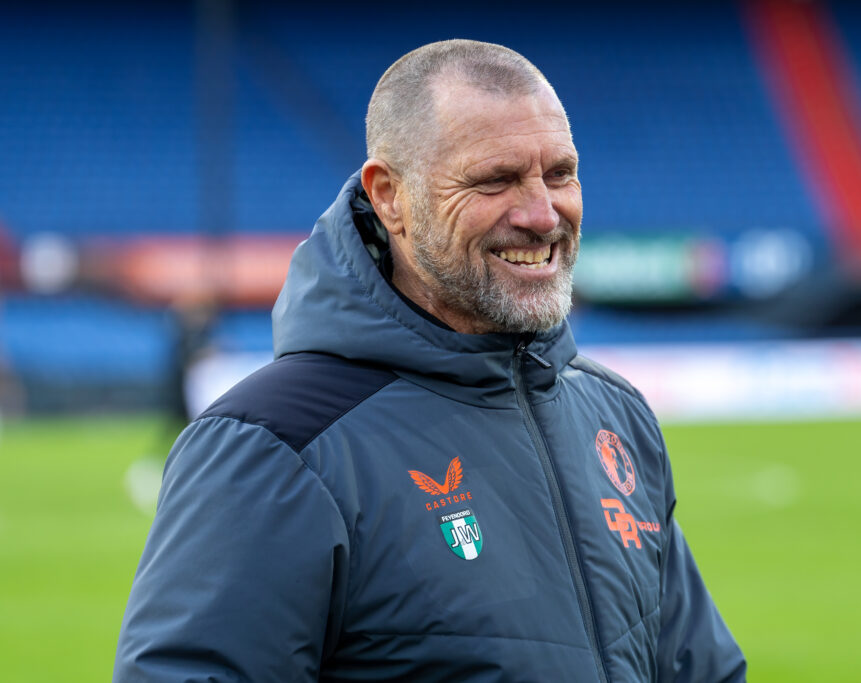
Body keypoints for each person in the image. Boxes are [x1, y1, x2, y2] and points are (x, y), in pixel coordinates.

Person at [114, 39, 746, 682]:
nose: (542, 213)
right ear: (390, 196)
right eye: (495, 180)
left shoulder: (614, 413)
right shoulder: (274, 445)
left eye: (560, 174)